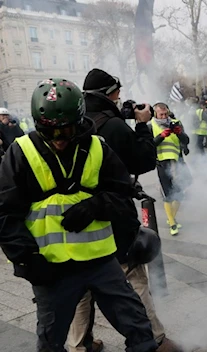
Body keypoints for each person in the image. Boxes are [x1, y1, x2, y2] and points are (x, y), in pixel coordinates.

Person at [0, 78, 157, 352]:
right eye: (50, 133)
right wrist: (28, 261)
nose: (59, 141)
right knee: (50, 342)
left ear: (79, 120)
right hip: (50, 269)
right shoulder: (20, 152)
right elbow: (5, 214)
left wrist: (98, 205)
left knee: (140, 330)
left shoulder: (98, 147)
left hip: (102, 263)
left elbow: (123, 198)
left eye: (66, 131)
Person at [67, 69, 182, 352]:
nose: (122, 99)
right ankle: (154, 338)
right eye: (118, 94)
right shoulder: (114, 127)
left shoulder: (75, 122)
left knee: (81, 289)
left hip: (77, 217)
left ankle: (79, 345)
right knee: (133, 277)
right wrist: (142, 125)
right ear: (108, 94)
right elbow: (142, 161)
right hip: (112, 215)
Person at [151, 103, 190, 236]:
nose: (164, 117)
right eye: (161, 114)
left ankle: (171, 217)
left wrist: (179, 133)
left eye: (165, 114)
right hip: (162, 163)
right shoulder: (151, 125)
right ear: (155, 114)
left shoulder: (176, 122)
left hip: (178, 162)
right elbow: (149, 145)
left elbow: (186, 140)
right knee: (168, 194)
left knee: (181, 192)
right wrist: (161, 136)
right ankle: (172, 223)